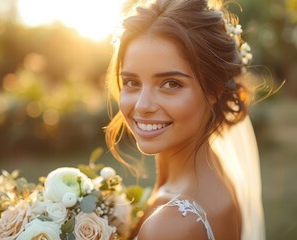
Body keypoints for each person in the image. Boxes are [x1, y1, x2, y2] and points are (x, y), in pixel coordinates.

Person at [105, 0, 265, 239]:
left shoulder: (171, 226)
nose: (142, 105)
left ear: (215, 89)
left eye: (171, 84)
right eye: (132, 82)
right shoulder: (216, 173)